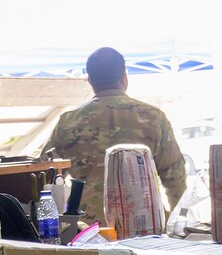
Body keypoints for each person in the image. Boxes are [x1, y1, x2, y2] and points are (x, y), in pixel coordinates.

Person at [44, 47, 188, 220]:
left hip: (90, 228)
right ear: (124, 77)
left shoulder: (68, 122)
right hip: (146, 222)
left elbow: (46, 175)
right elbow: (175, 176)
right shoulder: (153, 117)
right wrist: (177, 223)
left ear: (90, 80)